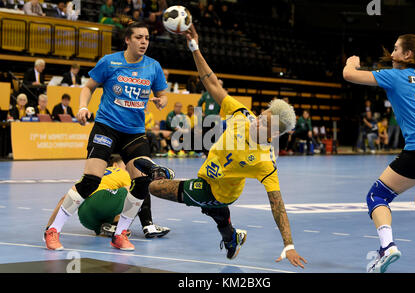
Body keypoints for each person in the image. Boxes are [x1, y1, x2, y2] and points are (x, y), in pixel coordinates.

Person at [132, 25, 307, 268]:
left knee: (154, 187)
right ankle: (232, 238)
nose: (257, 120)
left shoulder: (265, 162)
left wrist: (289, 245)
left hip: (217, 191)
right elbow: (212, 82)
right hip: (210, 173)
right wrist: (194, 48)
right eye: (261, 114)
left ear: (275, 132)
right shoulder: (241, 114)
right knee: (216, 216)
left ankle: (162, 173)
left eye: (264, 122)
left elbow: (277, 205)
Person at [44, 22, 169, 251]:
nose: (144, 42)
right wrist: (82, 107)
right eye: (139, 37)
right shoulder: (109, 62)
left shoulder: (153, 67)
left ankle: (120, 233)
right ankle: (53, 231)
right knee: (91, 180)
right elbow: (88, 87)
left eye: (147, 38)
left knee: (141, 183)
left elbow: (162, 93)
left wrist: (162, 100)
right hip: (106, 126)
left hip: (134, 132)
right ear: (128, 40)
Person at [343, 34, 415, 273]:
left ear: (407, 54)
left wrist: (352, 62)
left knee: (377, 196)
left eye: (395, 49)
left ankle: (387, 247)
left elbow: (349, 75)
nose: (391, 54)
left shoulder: (396, 76)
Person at [45, 155, 171, 239]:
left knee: (124, 201)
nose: (128, 170)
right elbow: (138, 195)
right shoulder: (119, 172)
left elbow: (64, 198)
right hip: (101, 200)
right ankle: (149, 226)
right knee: (140, 185)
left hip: (85, 216)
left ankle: (110, 227)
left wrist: (50, 226)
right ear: (115, 165)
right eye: (126, 166)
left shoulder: (95, 175)